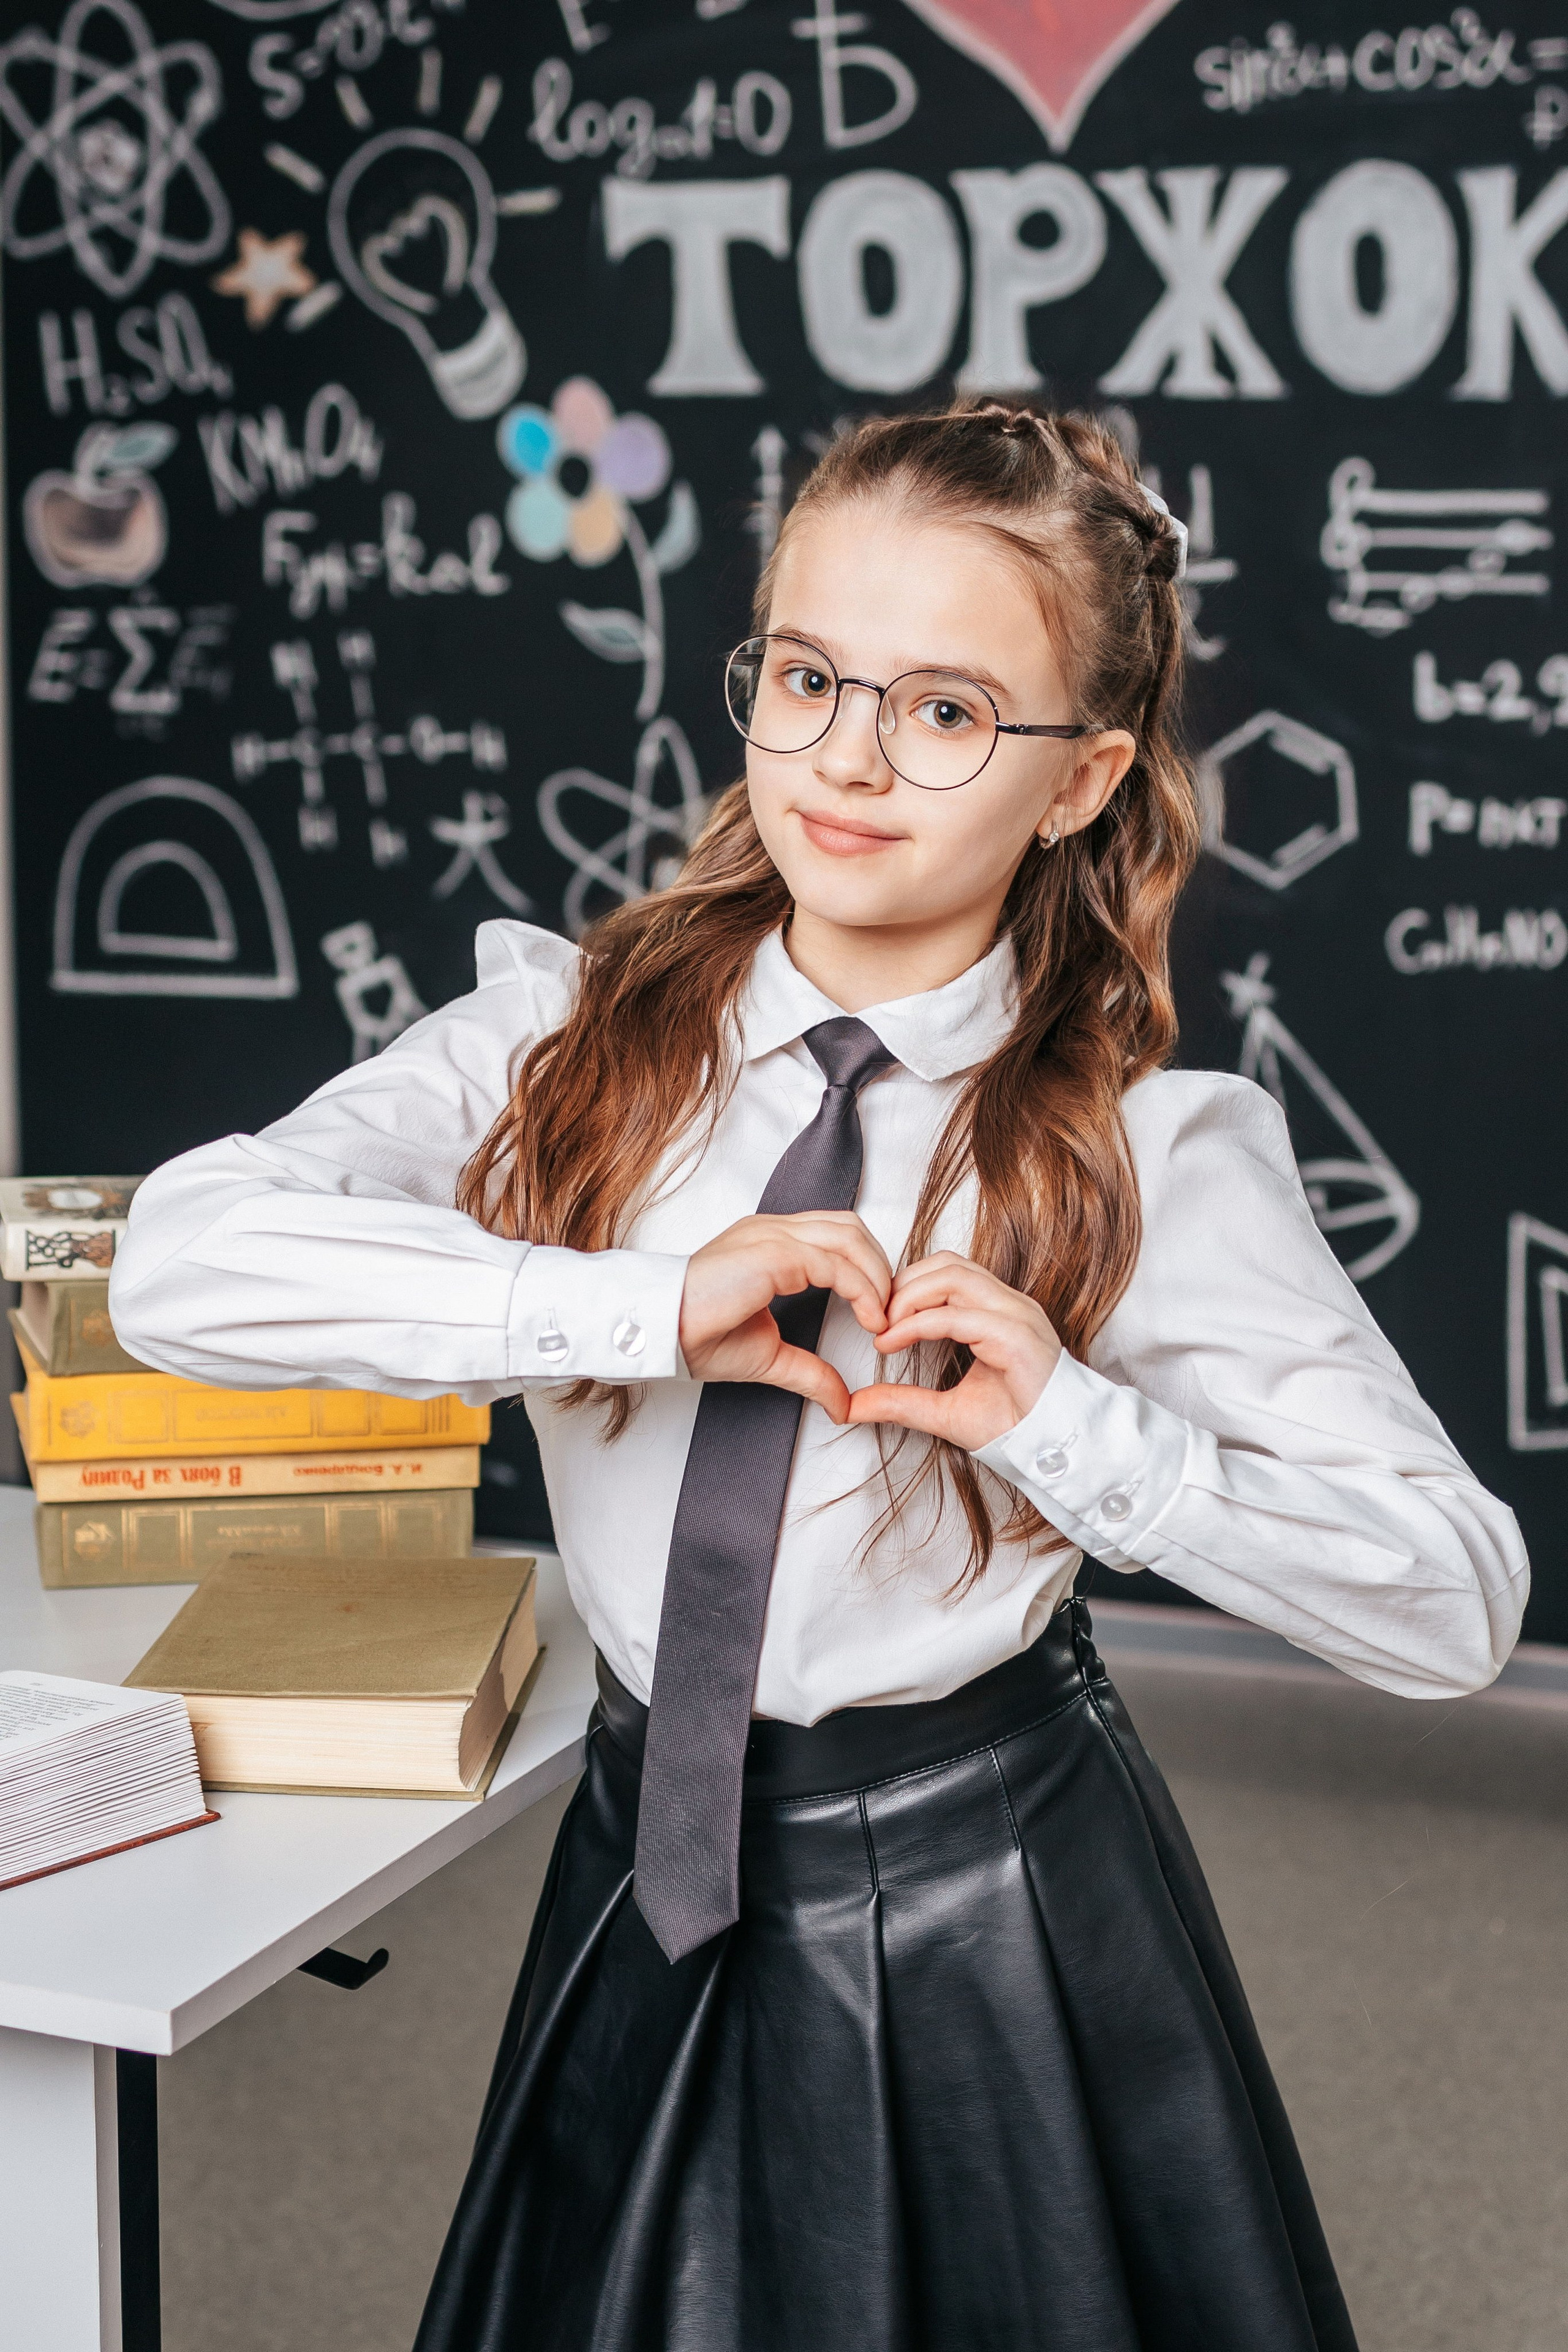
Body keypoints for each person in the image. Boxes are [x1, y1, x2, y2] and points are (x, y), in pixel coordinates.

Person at [111, 401, 1527, 2352]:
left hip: (989, 1901)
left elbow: (1456, 1607)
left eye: (948, 712)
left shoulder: (1149, 1151)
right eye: (805, 676)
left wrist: (1079, 1440)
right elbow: (178, 1268)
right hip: (647, 1861)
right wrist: (634, 1305)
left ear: (1079, 780)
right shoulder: (559, 1034)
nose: (848, 758)